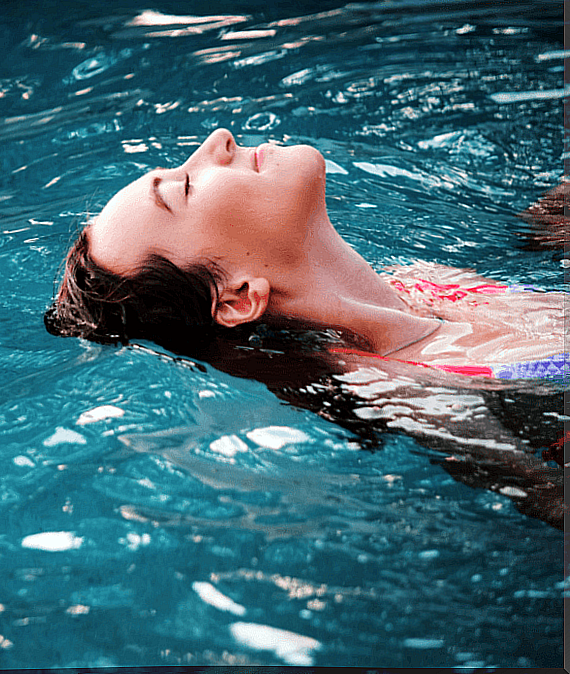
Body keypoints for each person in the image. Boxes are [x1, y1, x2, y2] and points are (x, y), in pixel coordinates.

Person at [45, 128, 565, 528]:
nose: (218, 140)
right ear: (237, 298)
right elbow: (549, 501)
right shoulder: (414, 388)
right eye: (183, 187)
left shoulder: (424, 282)